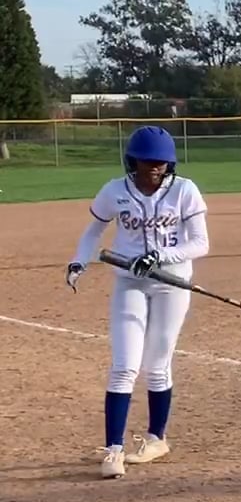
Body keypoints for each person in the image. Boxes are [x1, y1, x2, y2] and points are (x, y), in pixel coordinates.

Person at [65, 127, 210, 479]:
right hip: (129, 281)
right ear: (132, 161)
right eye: (147, 161)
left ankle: (157, 439)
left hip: (172, 284)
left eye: (161, 162)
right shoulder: (115, 191)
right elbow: (94, 230)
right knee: (124, 365)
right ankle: (113, 449)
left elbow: (200, 243)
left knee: (157, 365)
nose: (154, 168)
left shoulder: (185, 190)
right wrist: (78, 261)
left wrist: (161, 256)